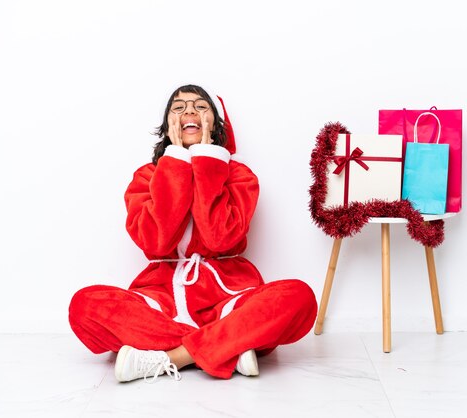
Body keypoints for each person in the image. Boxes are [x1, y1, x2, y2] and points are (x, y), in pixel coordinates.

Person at [69, 84, 317, 382]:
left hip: (229, 297)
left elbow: (218, 239)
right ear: (168, 126)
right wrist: (174, 163)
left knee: (298, 297)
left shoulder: (240, 176)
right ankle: (227, 348)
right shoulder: (146, 177)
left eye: (201, 106)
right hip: (161, 302)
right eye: (179, 107)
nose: (189, 110)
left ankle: (173, 357)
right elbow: (157, 243)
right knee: (85, 305)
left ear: (215, 122)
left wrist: (207, 161)